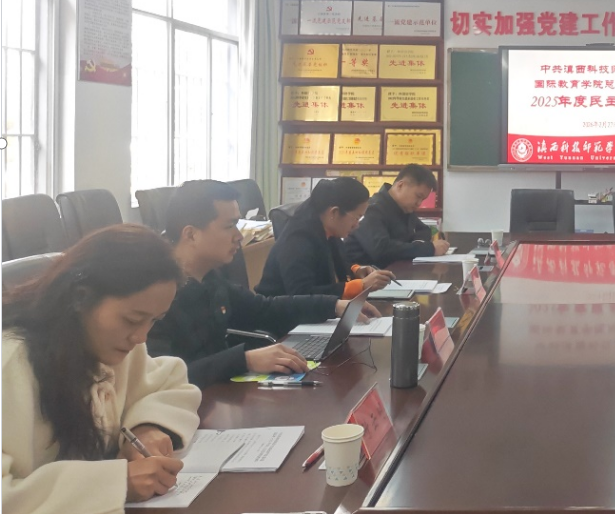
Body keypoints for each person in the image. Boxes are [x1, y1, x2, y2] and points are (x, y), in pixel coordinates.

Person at [2, 225, 202, 512]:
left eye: (154, 320)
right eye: (132, 319)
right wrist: (117, 483)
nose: (141, 337)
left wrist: (146, 428)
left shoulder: (112, 343)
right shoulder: (12, 364)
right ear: (80, 297)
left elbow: (169, 383)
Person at [148, 180, 381, 389]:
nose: (239, 236)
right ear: (191, 234)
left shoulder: (210, 278)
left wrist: (334, 306)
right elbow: (159, 378)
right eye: (229, 226)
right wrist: (244, 360)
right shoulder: (155, 296)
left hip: (218, 397)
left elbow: (265, 309)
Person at [256, 177, 394, 298]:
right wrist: (361, 285)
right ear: (334, 212)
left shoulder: (327, 231)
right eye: (356, 218)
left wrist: (356, 270)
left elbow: (332, 264)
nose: (357, 225)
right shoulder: (297, 240)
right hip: (283, 316)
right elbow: (302, 294)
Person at [345, 164, 450, 266]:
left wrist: (417, 244)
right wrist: (428, 249)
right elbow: (381, 249)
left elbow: (424, 230)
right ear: (400, 185)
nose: (419, 203)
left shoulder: (405, 208)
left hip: (395, 270)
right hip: (364, 273)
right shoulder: (373, 209)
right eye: (418, 196)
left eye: (422, 199)